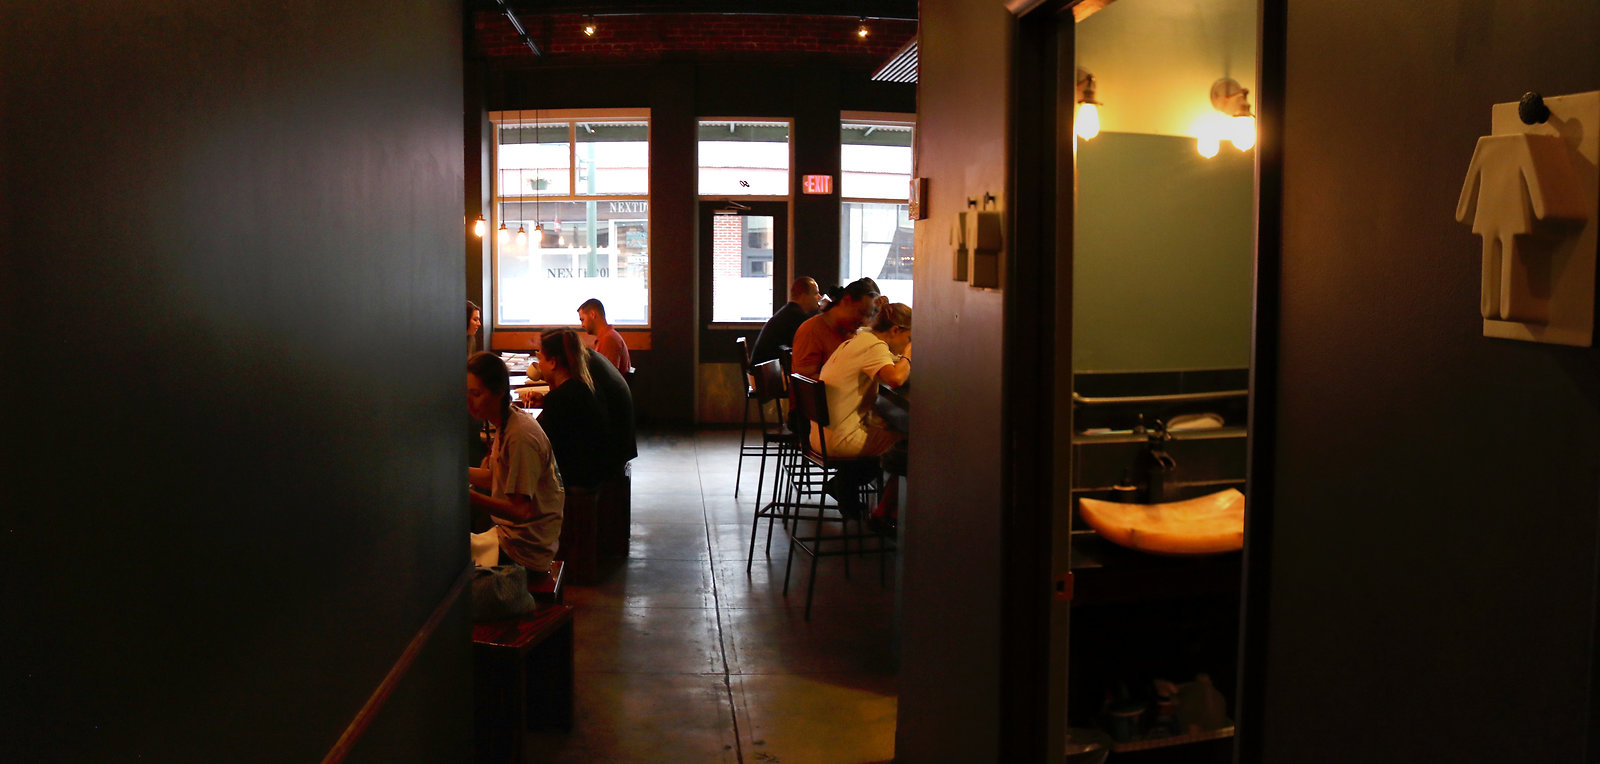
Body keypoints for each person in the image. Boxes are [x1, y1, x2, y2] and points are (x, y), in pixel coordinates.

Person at [813, 302, 912, 527]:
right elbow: (895, 379)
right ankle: (884, 514)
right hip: (840, 439)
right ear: (895, 330)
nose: (908, 343)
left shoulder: (858, 340)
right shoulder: (874, 347)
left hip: (822, 434)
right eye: (908, 338)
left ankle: (846, 485)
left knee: (889, 430)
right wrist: (908, 355)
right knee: (913, 444)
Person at [467, 351, 564, 574]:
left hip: (526, 548)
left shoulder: (520, 435)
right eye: (467, 393)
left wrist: (470, 497)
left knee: (446, 557)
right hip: (513, 535)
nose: (469, 402)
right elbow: (496, 477)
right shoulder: (507, 421)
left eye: (476, 394)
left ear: (499, 393)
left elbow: (521, 511)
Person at [534, 327, 610, 491]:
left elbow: (544, 448)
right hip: (595, 472)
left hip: (576, 481)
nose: (539, 364)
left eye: (541, 358)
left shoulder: (560, 399)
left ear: (553, 363)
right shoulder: (587, 386)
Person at [791, 277, 880, 378]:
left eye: (868, 316)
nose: (864, 321)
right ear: (846, 301)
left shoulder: (848, 331)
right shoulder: (812, 330)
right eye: (861, 312)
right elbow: (805, 380)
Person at [751, 277, 821, 365]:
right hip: (768, 371)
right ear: (803, 296)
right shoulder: (796, 317)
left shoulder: (789, 312)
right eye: (815, 293)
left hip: (765, 370)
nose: (819, 297)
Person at [578, 298, 631, 374]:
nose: (582, 325)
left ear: (592, 314)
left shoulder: (608, 339)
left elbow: (605, 375)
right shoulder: (608, 336)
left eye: (582, 319)